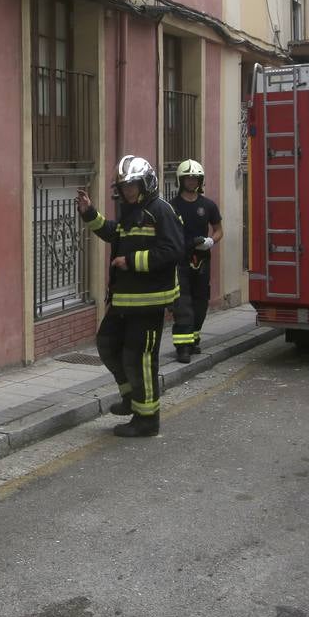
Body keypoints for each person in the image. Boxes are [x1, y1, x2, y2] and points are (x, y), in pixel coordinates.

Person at [76, 155, 186, 438]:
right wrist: (90, 214)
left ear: (145, 183)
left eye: (132, 186)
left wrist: (132, 261)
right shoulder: (132, 210)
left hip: (149, 302)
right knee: (107, 344)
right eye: (123, 186)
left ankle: (147, 419)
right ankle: (131, 399)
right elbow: (116, 234)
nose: (127, 191)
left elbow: (173, 250)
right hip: (125, 301)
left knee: (141, 359)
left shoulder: (160, 211)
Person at [167, 159, 223, 363]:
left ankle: (193, 339)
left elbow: (218, 230)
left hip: (202, 261)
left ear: (200, 181)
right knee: (183, 304)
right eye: (188, 178)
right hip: (180, 262)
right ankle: (182, 347)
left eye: (195, 178)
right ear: (180, 180)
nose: (191, 181)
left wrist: (210, 241)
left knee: (200, 303)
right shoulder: (172, 206)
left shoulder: (208, 205)